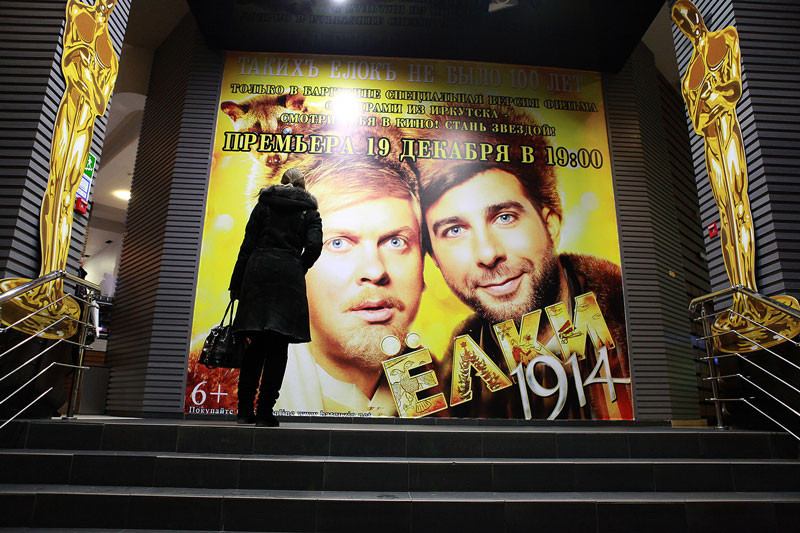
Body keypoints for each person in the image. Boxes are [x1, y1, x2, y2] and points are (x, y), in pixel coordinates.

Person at [417, 107, 632, 419]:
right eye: (455, 230)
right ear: (434, 259)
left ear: (550, 224)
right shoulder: (458, 378)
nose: (487, 253)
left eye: (505, 217)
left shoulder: (633, 320)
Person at [672, 0, 799, 352]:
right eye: (681, 21)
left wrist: (713, 96)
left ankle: (753, 295)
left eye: (689, 13)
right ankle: (741, 300)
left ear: (698, 13)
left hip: (729, 128)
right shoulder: (689, 74)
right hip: (712, 139)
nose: (689, 22)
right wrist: (707, 101)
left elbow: (734, 88)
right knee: (725, 216)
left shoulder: (725, 38)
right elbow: (698, 118)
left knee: (739, 206)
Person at [273, 152, 425, 417]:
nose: (375, 271)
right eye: (338, 243)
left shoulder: (457, 388)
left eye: (395, 242)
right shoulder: (217, 384)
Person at [229, 168, 323, 426]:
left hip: (257, 273)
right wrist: (299, 265)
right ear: (303, 186)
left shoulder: (264, 205)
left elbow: (247, 245)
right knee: (278, 348)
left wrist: (236, 283)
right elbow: (314, 246)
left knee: (255, 345)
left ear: (281, 182)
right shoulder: (309, 212)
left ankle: (244, 411)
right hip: (287, 279)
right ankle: (264, 412)